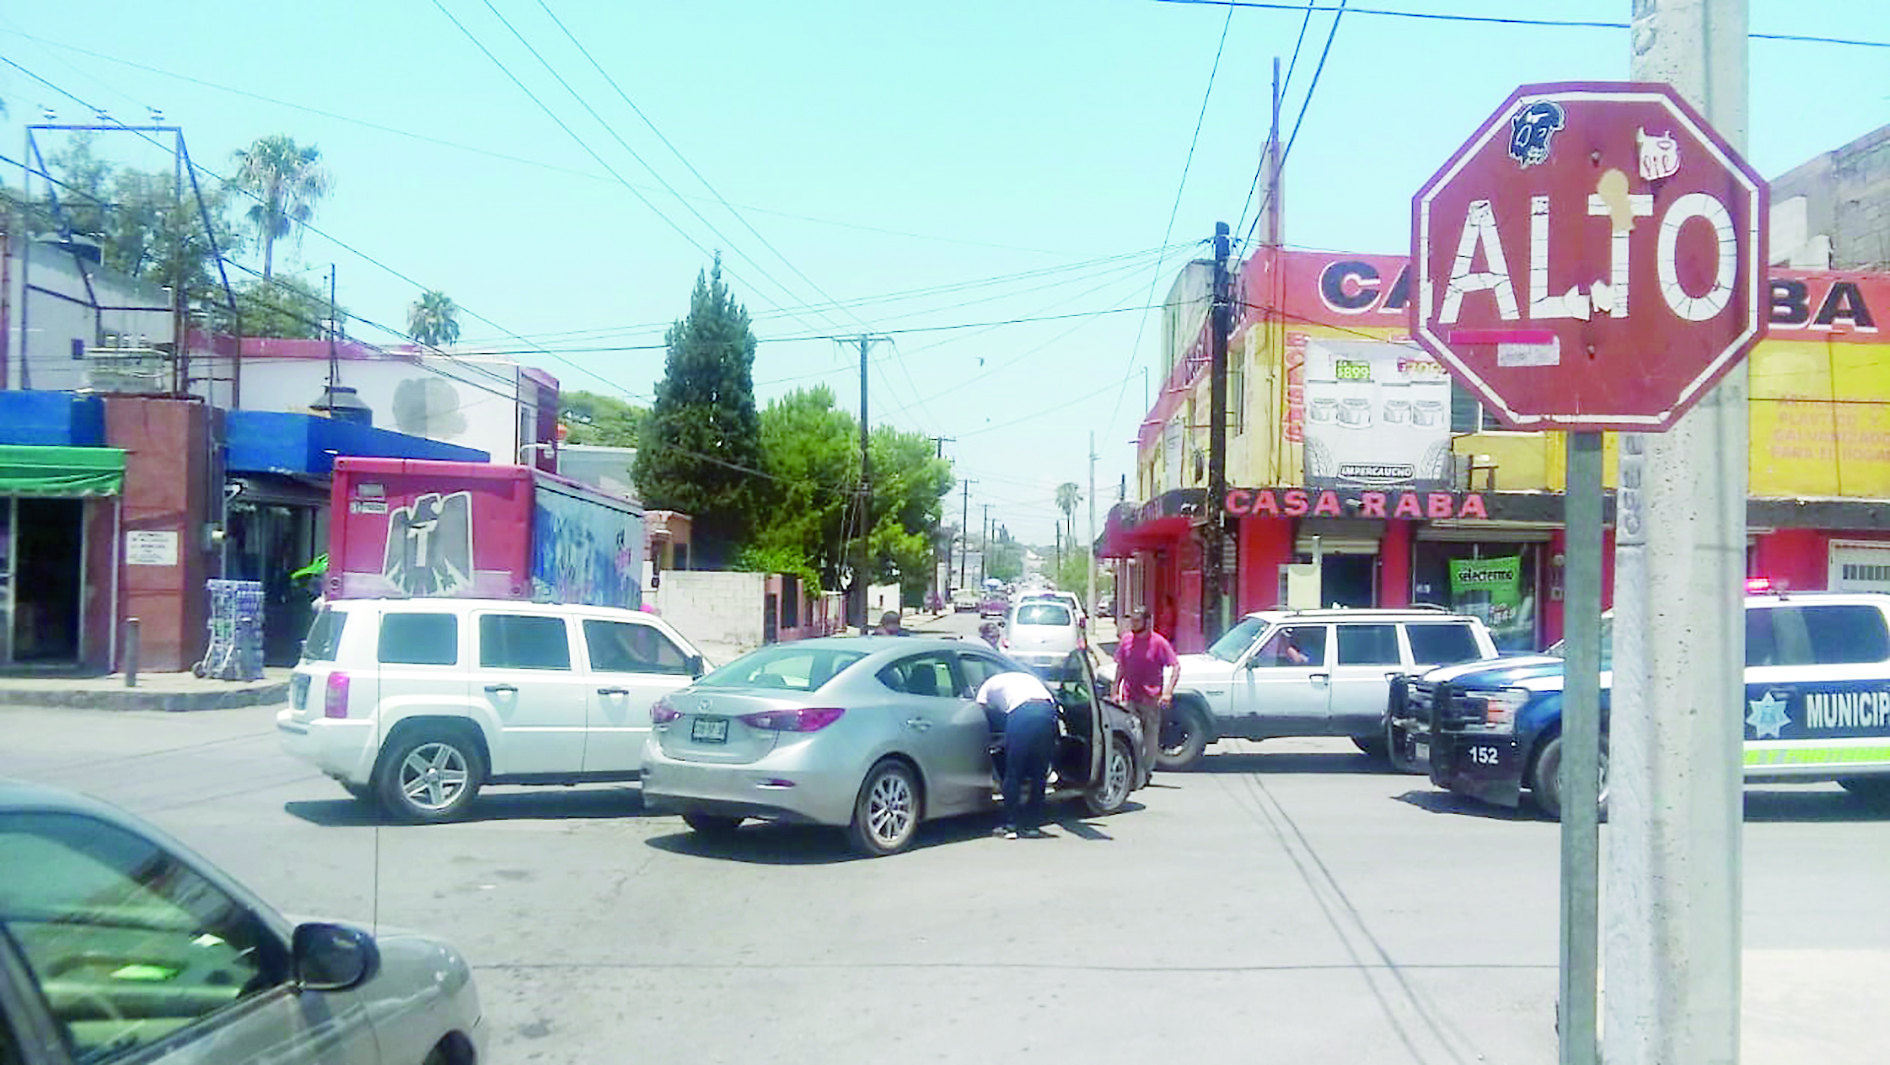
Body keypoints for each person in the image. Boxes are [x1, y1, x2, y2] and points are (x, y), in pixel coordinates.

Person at [975, 669, 1060, 839]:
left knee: (1014, 771)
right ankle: (1033, 826)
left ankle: (1010, 825)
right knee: (1039, 774)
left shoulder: (986, 686)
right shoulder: (1026, 678)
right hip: (1047, 712)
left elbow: (980, 711)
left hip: (1022, 713)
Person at [1114, 605, 1178, 788]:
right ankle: (1133, 773)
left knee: (1149, 740)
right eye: (1131, 621)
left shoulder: (1159, 643)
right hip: (1129, 697)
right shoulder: (1126, 640)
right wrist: (1115, 691)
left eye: (1137, 620)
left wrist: (1167, 692)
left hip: (1150, 699)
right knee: (1132, 736)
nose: (1133, 624)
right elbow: (1121, 666)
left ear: (1147, 622)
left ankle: (1145, 772)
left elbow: (1175, 666)